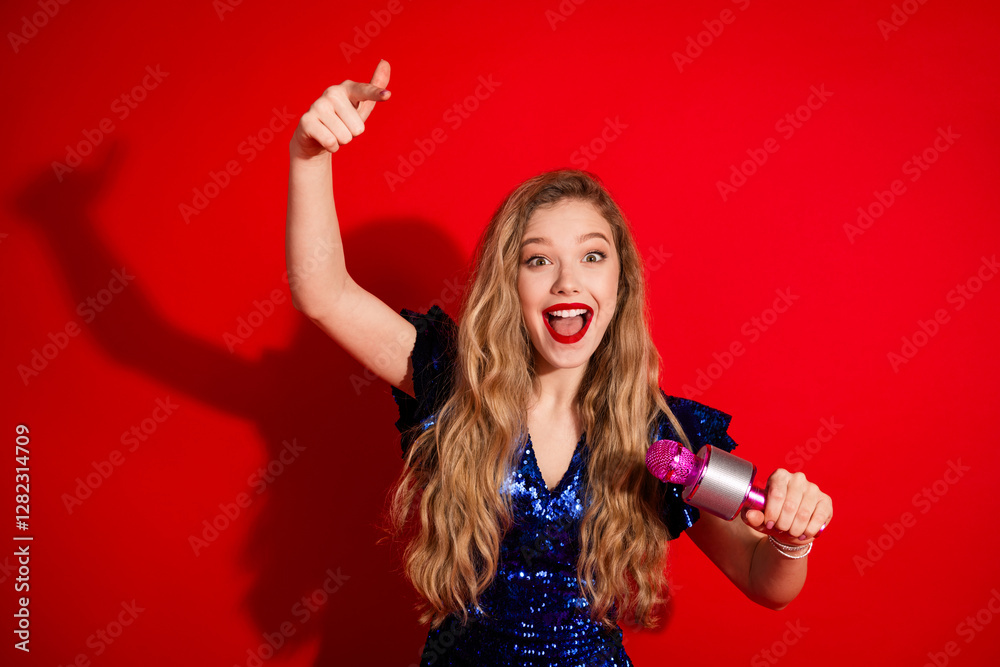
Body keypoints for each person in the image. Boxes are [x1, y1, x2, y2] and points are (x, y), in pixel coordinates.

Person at [285, 60, 834, 666]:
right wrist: (310, 156)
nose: (568, 279)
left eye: (593, 257)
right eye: (538, 260)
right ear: (508, 285)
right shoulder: (453, 381)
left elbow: (763, 580)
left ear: (620, 286)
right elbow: (325, 293)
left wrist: (791, 539)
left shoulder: (663, 440)